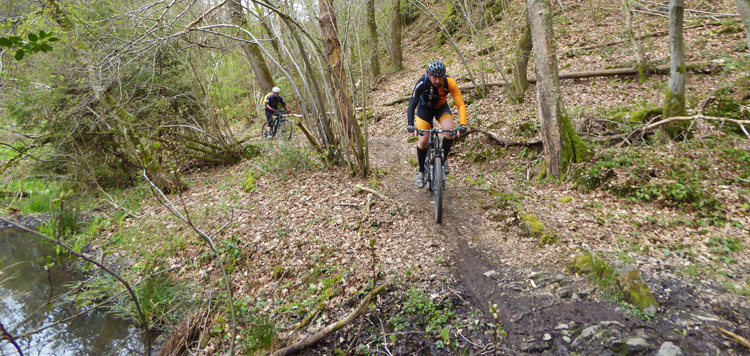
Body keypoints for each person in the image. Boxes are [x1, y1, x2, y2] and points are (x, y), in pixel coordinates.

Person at [406, 60, 467, 188]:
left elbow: (460, 104)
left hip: (441, 109)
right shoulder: (422, 83)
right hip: (424, 110)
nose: (438, 81)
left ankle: (442, 161)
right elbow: (412, 104)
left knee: (449, 131)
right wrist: (411, 124)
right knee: (423, 140)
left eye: (440, 77)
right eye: (435, 77)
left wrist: (462, 124)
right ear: (429, 75)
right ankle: (421, 171)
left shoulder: (449, 83)